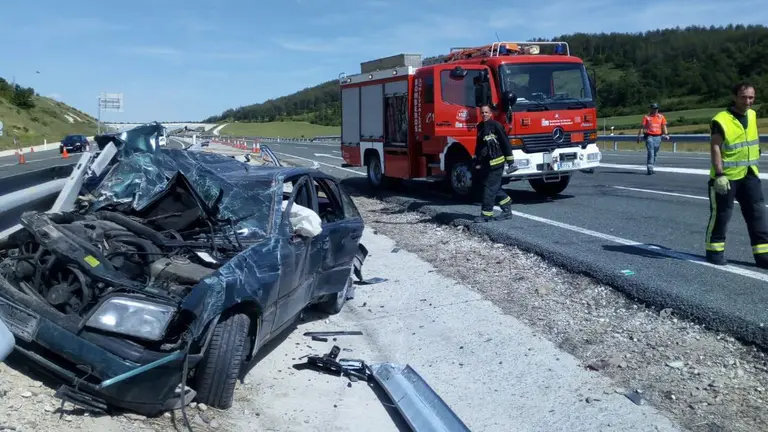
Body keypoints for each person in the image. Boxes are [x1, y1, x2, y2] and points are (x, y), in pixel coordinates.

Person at [705, 81, 768, 268]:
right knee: (722, 215)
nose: (748, 101)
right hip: (727, 176)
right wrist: (719, 174)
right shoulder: (721, 119)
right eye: (744, 97)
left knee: (758, 214)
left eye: (751, 97)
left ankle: (763, 255)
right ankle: (714, 252)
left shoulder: (753, 114)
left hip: (750, 174)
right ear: (734, 97)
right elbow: (715, 147)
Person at [473, 104, 515, 223]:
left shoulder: (496, 126)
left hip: (497, 163)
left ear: (491, 114)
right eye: (482, 112)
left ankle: (486, 215)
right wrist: (477, 160)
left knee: (489, 189)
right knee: (493, 188)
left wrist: (511, 162)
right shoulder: (480, 126)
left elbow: (505, 143)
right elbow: (479, 146)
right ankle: (506, 207)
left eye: (486, 112)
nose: (484, 114)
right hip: (486, 164)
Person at [636, 103, 669, 174]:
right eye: (654, 109)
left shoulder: (661, 117)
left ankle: (651, 166)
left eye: (656, 108)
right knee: (651, 152)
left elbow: (664, 126)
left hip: (658, 136)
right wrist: (639, 136)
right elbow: (642, 127)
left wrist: (666, 134)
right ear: (651, 109)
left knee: (655, 153)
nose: (655, 110)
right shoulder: (646, 117)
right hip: (649, 136)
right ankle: (650, 167)